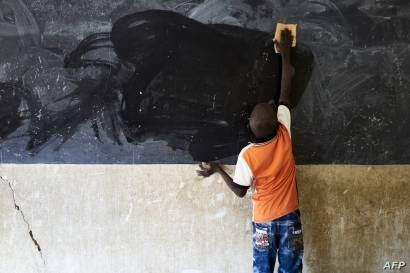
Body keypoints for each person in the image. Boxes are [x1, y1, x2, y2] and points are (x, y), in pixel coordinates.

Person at [196, 28, 303, 273]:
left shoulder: (248, 155)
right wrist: (285, 52)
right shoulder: (284, 134)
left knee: (262, 269)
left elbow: (240, 191)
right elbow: (286, 87)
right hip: (289, 220)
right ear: (277, 123)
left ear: (251, 130)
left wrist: (218, 169)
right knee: (292, 269)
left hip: (264, 221)